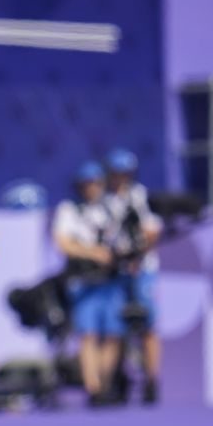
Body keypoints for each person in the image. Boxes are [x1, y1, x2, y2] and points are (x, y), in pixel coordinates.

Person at [53, 161, 125, 406]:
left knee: (114, 334)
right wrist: (94, 253)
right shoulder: (70, 210)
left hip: (110, 281)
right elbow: (64, 243)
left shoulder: (112, 208)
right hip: (83, 281)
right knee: (89, 334)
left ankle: (106, 384)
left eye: (94, 184)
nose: (90, 189)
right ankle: (92, 387)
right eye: (86, 184)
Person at [103, 148, 163, 404]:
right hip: (116, 271)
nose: (121, 178)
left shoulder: (138, 196)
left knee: (147, 325)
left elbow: (152, 231)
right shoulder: (104, 200)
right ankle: (115, 382)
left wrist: (137, 257)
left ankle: (151, 380)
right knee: (115, 328)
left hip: (142, 270)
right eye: (117, 173)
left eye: (125, 174)